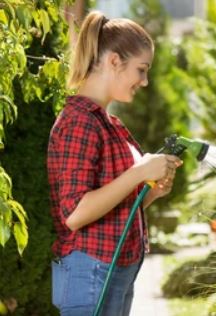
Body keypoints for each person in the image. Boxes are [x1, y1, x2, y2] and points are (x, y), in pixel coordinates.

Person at [47, 11, 182, 316]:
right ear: (113, 61)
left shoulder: (109, 123)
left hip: (113, 268)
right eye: (141, 70)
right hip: (90, 270)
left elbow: (115, 207)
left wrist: (151, 192)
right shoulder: (79, 123)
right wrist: (138, 173)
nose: (145, 81)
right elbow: (75, 213)